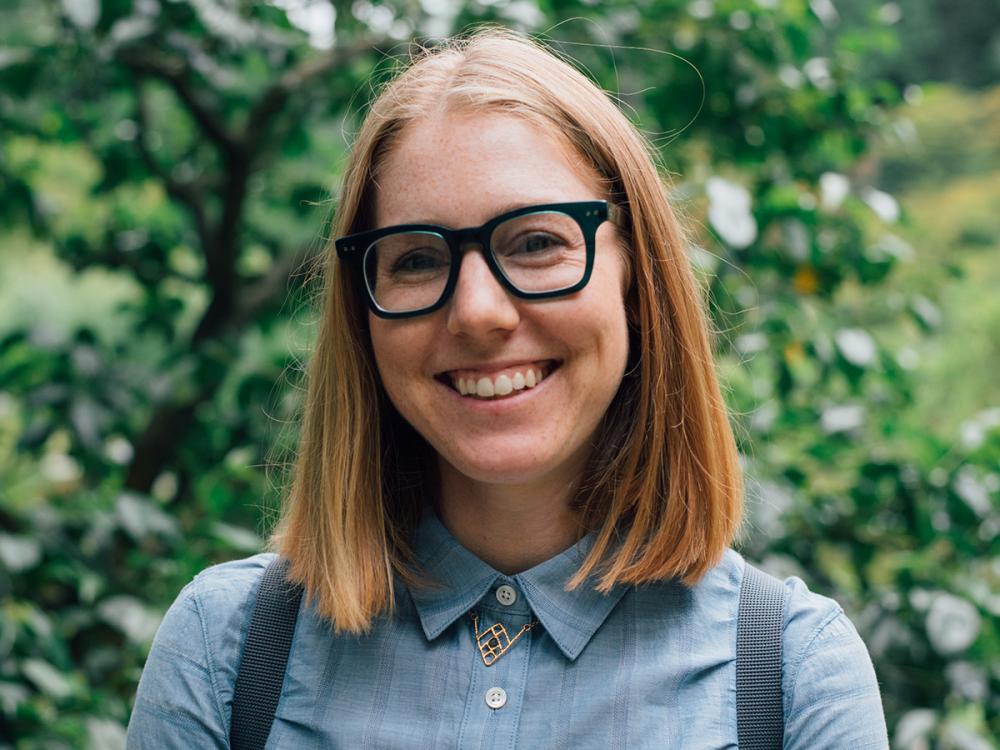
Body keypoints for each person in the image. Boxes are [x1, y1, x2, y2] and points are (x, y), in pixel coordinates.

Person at [126, 28, 889, 748]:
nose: (479, 312)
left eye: (536, 243)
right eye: (417, 259)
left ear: (638, 276)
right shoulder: (227, 653)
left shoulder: (788, 676)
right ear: (362, 313)